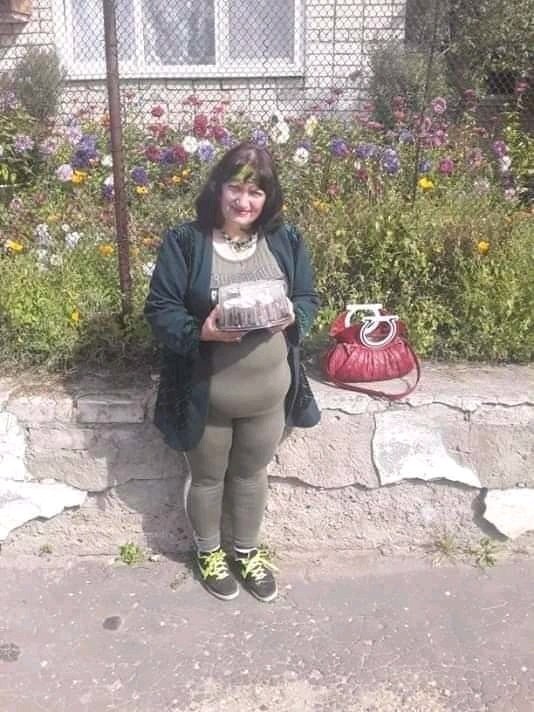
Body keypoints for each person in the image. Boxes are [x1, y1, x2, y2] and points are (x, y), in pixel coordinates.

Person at [144, 142, 320, 603]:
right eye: (236, 189)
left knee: (251, 475)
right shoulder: (186, 241)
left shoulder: (286, 239)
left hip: (268, 396)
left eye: (255, 192)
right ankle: (209, 553)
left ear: (269, 197)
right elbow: (160, 309)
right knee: (207, 479)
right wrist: (199, 331)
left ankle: (247, 552)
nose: (244, 202)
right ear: (218, 189)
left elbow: (308, 298)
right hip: (209, 396)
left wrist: (293, 317)